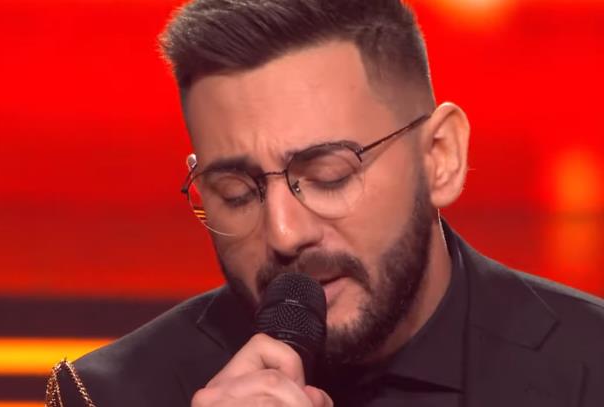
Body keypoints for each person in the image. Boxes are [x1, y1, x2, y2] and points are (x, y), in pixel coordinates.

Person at [46, 1, 604, 406]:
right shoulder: (110, 394)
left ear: (440, 158)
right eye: (237, 193)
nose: (284, 234)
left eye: (327, 177)